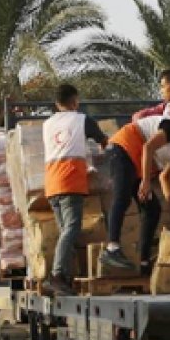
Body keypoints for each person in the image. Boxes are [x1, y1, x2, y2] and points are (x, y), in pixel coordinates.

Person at [99, 110, 170, 272]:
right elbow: (148, 147)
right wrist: (146, 182)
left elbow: (165, 177)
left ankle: (144, 263)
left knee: (152, 209)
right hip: (123, 149)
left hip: (136, 163)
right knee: (122, 196)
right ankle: (111, 249)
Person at [42, 83, 108, 296]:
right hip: (70, 181)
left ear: (57, 103)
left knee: (65, 233)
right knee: (72, 229)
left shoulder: (48, 124)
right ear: (75, 101)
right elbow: (104, 142)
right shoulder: (82, 120)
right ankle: (57, 275)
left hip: (52, 183)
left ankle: (65, 281)